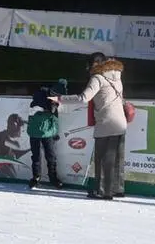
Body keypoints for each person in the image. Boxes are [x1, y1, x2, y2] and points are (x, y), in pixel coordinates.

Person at [50, 52, 127, 200]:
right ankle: (117, 188)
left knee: (103, 158)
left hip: (106, 122)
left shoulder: (97, 78)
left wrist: (60, 99)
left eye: (88, 64)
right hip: (120, 122)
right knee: (116, 158)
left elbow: (83, 98)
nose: (87, 68)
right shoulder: (117, 75)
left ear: (94, 64)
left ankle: (103, 191)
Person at [27, 81, 67, 189]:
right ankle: (38, 177)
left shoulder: (52, 101)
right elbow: (49, 114)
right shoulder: (41, 98)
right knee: (39, 156)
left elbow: (54, 119)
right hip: (38, 132)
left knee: (48, 156)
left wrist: (55, 132)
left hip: (45, 132)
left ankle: (49, 177)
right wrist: (51, 106)